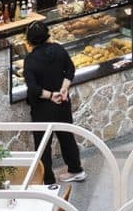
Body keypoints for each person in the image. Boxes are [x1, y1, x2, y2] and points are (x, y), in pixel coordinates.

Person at [22, 18, 86, 186]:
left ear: (29, 40)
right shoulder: (58, 49)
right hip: (62, 102)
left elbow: (33, 89)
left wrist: (51, 95)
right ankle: (76, 170)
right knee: (66, 137)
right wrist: (64, 89)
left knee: (43, 144)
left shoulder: (30, 60)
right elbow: (70, 69)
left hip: (43, 108)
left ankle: (48, 180)